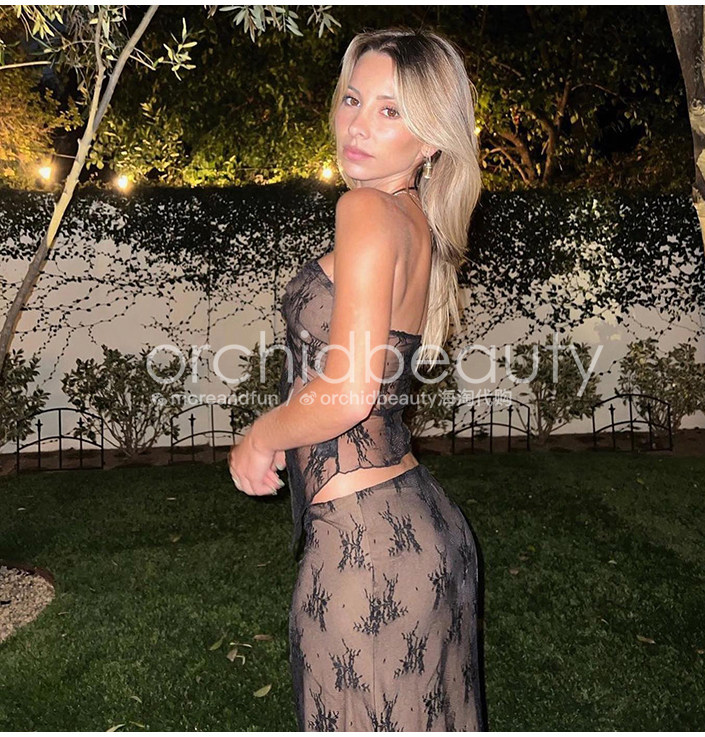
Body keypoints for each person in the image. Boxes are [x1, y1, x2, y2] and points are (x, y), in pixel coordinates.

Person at [228, 27, 485, 731]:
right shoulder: (413, 219)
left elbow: (348, 391)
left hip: (365, 548)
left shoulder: (367, 209)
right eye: (352, 99)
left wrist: (260, 436)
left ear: (431, 140)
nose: (358, 125)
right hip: (413, 528)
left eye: (390, 110)